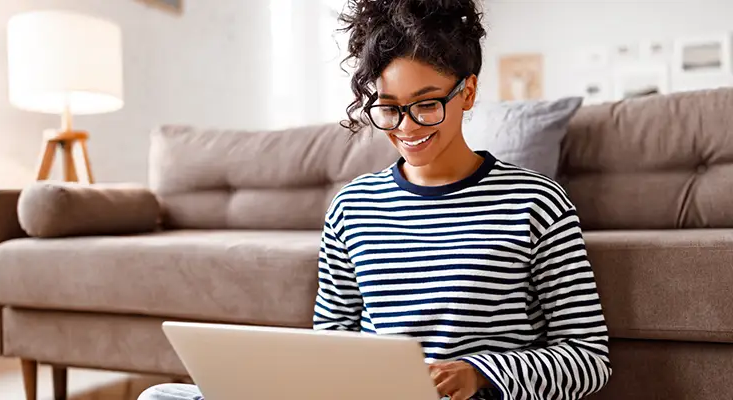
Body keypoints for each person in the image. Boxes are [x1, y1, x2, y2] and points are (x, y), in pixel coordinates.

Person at [139, 0, 611, 399]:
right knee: (161, 396)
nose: (406, 127)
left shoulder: (537, 201)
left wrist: (480, 374)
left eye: (427, 104)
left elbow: (588, 358)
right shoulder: (352, 206)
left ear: (467, 93)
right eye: (388, 108)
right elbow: (331, 342)